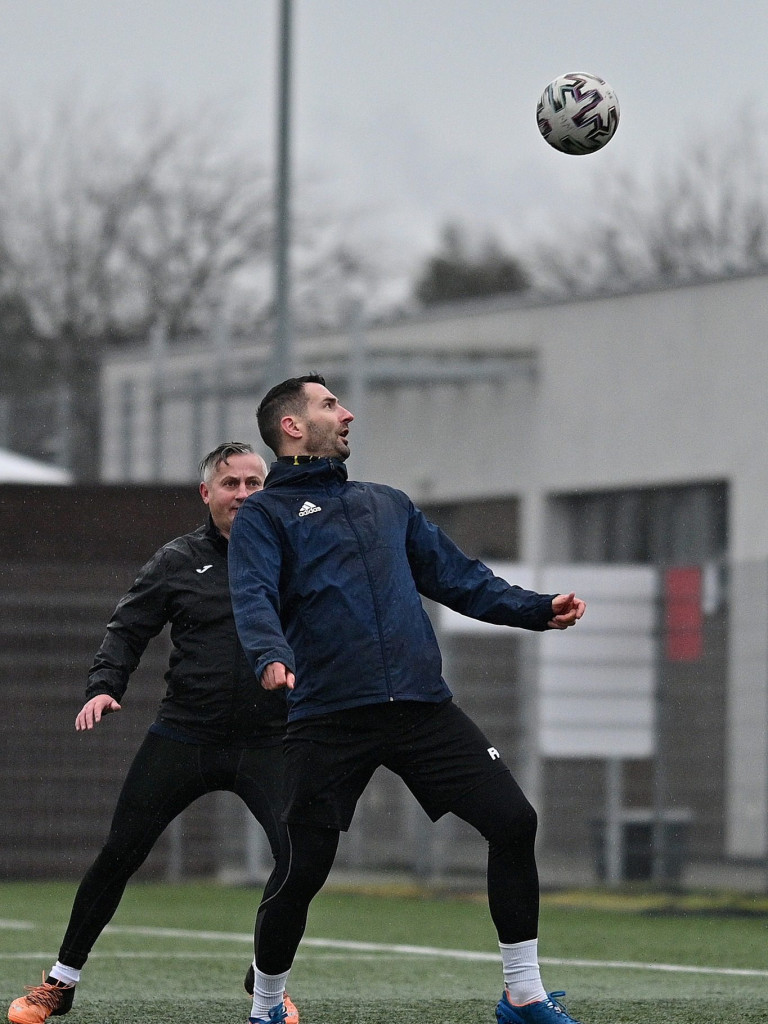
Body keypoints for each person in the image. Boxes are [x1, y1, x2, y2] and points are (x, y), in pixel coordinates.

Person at [227, 375, 588, 1024]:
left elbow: (459, 579)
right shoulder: (265, 515)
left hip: (422, 708)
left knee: (514, 822)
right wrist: (270, 656)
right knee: (303, 869)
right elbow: (252, 596)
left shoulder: (386, 504)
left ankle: (524, 997)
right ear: (291, 427)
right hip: (328, 717)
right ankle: (268, 1006)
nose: (347, 413)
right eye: (330, 405)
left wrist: (538, 609)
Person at [8, 443, 298, 1024]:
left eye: (253, 483)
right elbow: (127, 628)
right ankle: (59, 983)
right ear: (207, 493)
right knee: (120, 852)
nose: (243, 495)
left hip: (272, 739)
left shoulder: (295, 556)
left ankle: (268, 983)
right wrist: (103, 684)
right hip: (186, 734)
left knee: (302, 858)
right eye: (231, 485)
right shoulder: (177, 560)